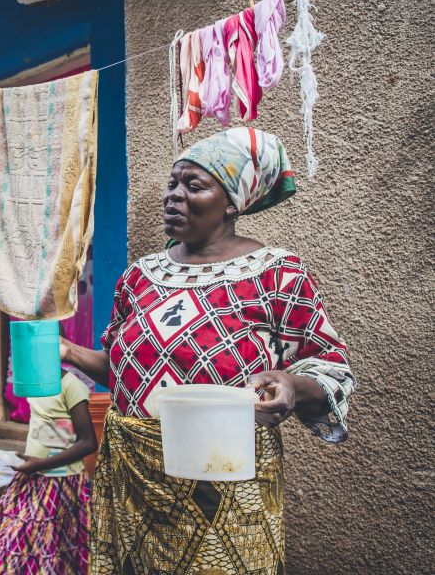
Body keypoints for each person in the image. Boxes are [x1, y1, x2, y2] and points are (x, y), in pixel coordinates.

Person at [60, 128, 356, 574]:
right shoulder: (139, 278)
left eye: (193, 186)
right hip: (135, 482)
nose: (173, 196)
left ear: (233, 202)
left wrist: (291, 384)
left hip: (221, 481)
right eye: (172, 184)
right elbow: (125, 373)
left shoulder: (276, 274)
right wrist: (67, 350)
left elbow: (332, 367)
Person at [0, 370, 97, 574]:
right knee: (11, 539)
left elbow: (88, 442)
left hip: (61, 483)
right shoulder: (35, 383)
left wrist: (40, 464)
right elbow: (46, 426)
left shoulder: (71, 386)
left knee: (52, 547)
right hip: (31, 477)